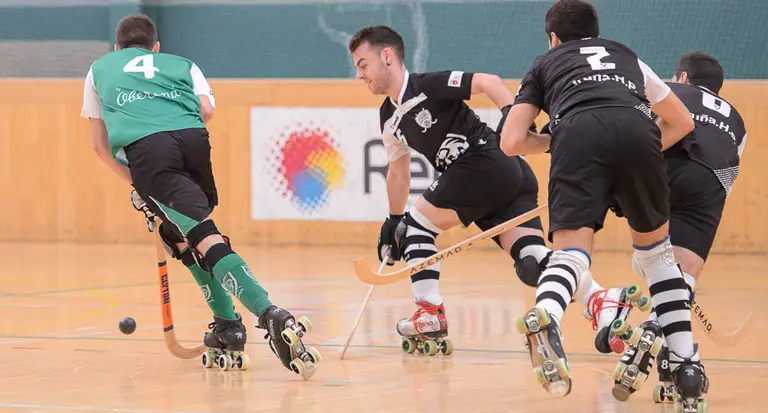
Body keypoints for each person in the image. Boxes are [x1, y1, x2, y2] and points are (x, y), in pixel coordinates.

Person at [347, 25, 641, 357]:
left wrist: (516, 123)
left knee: (416, 229)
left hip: (483, 164)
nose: (359, 74)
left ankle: (429, 313)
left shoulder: (427, 85)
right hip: (501, 179)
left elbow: (490, 82)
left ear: (387, 56)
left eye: (362, 64)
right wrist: (392, 218)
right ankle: (603, 300)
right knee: (531, 262)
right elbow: (398, 171)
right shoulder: (388, 118)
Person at [80, 13, 320, 379]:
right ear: (156, 47)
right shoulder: (183, 64)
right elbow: (206, 109)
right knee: (179, 234)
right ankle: (226, 324)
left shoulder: (99, 69)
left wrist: (139, 182)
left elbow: (99, 147)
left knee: (203, 237)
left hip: (150, 151)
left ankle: (270, 313)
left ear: (117, 48)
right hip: (192, 140)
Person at [499, 0, 707, 413]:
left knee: (572, 253)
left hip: (576, 134)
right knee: (657, 257)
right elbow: (682, 122)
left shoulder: (545, 64)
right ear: (595, 33)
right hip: (638, 131)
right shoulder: (626, 55)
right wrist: (639, 152)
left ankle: (547, 312)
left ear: (553, 37)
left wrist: (557, 143)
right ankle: (686, 368)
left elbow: (511, 142)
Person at [646, 51, 746, 405]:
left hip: (663, 166)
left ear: (683, 78)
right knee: (684, 270)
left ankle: (657, 322)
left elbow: (638, 126)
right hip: (711, 182)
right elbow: (731, 170)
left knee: (650, 255)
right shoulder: (738, 120)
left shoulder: (672, 90)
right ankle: (658, 324)